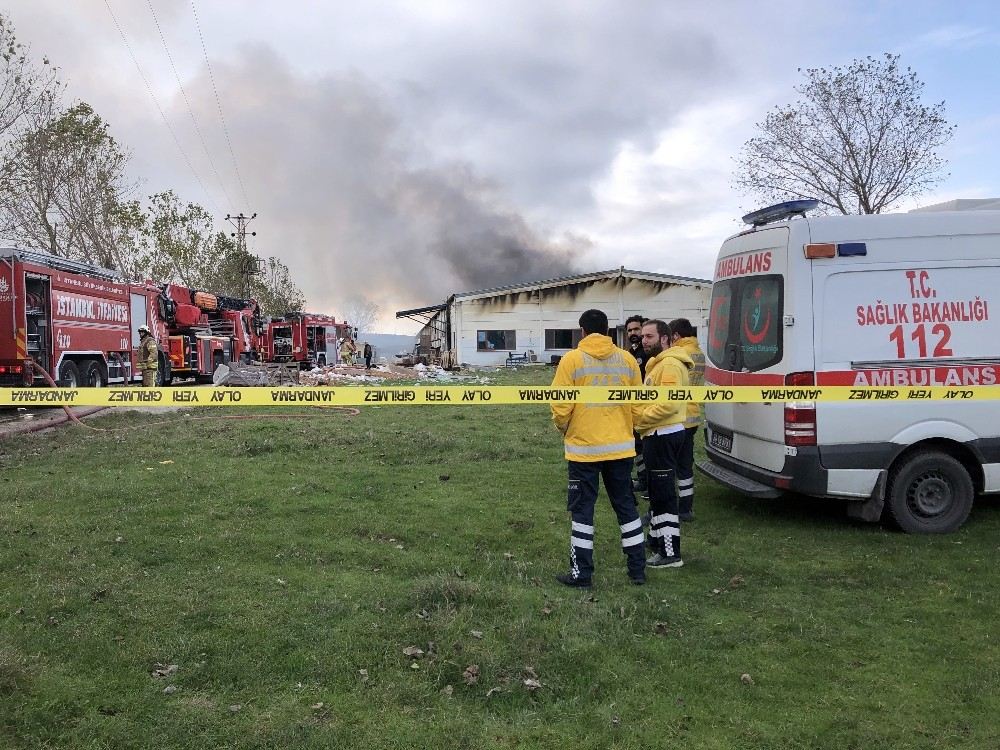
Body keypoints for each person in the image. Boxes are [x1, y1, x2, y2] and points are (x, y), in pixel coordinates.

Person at [550, 309, 646, 588]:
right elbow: (638, 405)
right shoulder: (627, 359)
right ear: (607, 330)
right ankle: (637, 570)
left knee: (583, 512)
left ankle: (582, 574)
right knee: (627, 508)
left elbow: (560, 404)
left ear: (582, 331)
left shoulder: (571, 360)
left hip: (584, 450)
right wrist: (634, 429)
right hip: (621, 450)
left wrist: (565, 428)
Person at [633, 319, 693, 568]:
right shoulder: (659, 364)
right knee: (657, 494)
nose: (643, 340)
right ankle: (657, 541)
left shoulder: (668, 365)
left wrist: (640, 419)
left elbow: (668, 403)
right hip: (657, 434)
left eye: (649, 336)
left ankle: (670, 553)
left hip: (662, 434)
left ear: (666, 339)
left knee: (665, 494)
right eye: (643, 336)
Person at [668, 318, 705, 522]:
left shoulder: (680, 353)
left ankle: (674, 507)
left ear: (675, 336)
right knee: (685, 467)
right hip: (692, 416)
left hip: (677, 416)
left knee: (670, 467)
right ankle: (686, 507)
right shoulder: (698, 352)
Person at [624, 315, 649, 494]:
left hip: (647, 407)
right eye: (630, 330)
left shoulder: (648, 352)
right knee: (638, 447)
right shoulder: (630, 353)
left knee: (648, 448)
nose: (633, 333)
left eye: (636, 329)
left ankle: (650, 483)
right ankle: (642, 480)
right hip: (632, 406)